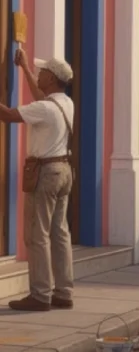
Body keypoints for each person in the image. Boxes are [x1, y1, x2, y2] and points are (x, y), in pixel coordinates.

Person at [0, 49, 74, 312]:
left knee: (37, 234)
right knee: (59, 233)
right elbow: (42, 98)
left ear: (52, 78)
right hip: (63, 171)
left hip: (45, 174)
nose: (39, 74)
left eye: (42, 72)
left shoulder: (45, 108)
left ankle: (40, 295)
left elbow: (8, 115)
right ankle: (63, 292)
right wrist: (25, 69)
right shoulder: (65, 103)